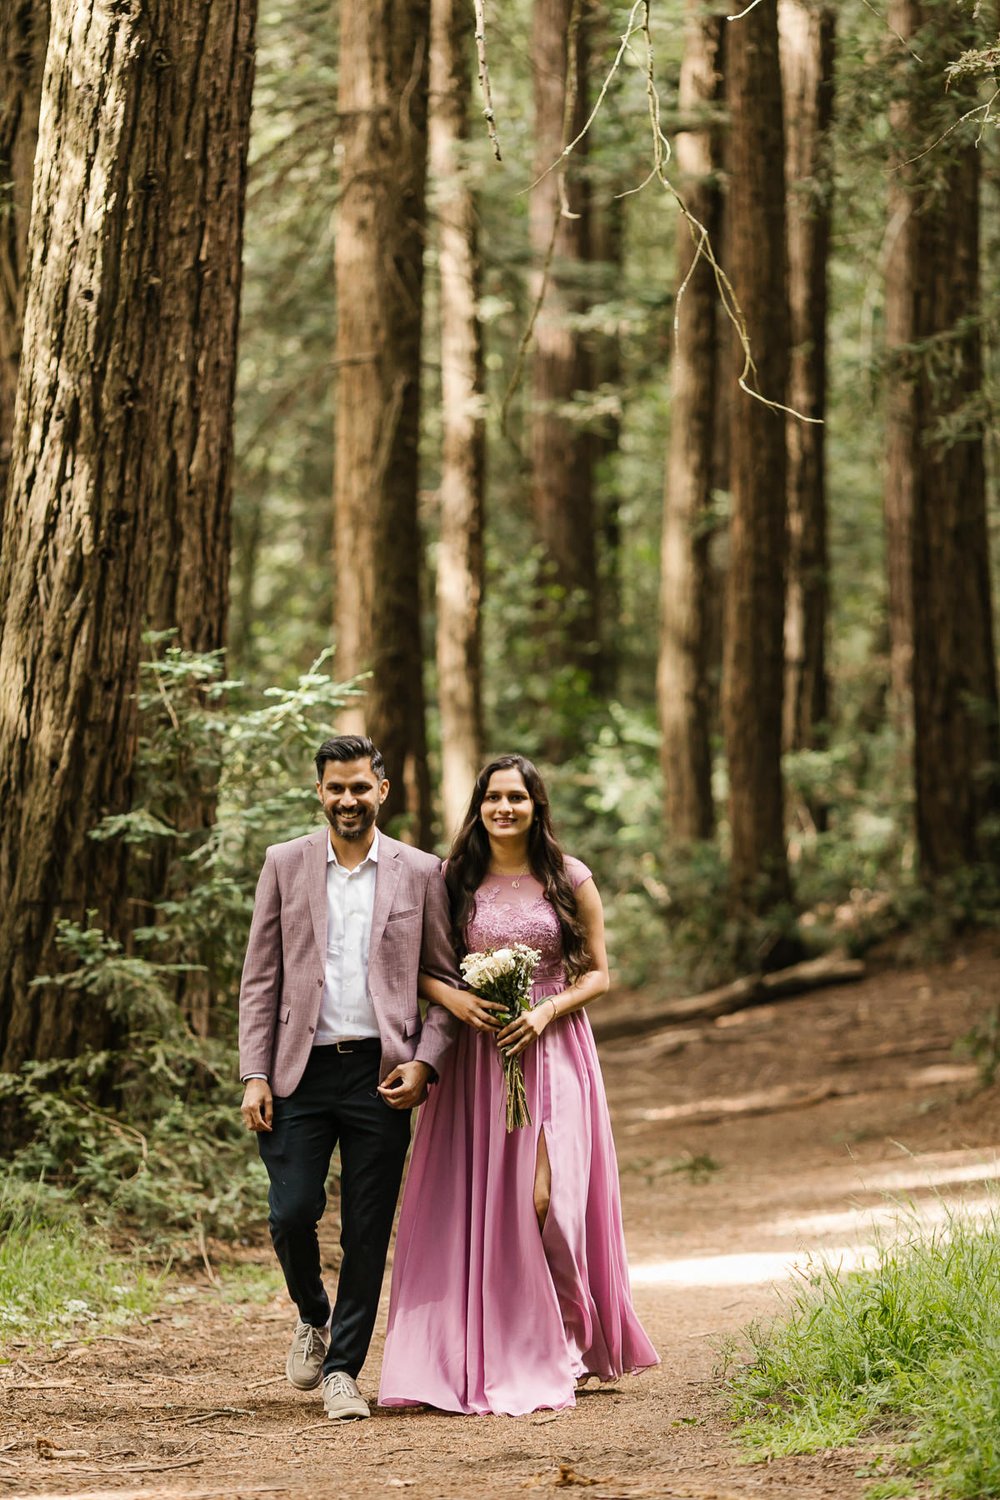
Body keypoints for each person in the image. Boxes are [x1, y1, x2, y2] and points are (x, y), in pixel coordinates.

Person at [379, 753, 658, 1416]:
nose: (505, 808)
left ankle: (568, 1332)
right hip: (480, 1054)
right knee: (491, 1204)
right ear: (479, 807)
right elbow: (412, 964)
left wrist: (545, 1009)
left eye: (517, 798)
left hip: (554, 1045)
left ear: (536, 806)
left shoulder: (569, 876)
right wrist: (460, 998)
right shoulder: (453, 879)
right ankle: (508, 1340)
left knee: (546, 1197)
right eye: (494, 798)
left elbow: (599, 975)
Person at [239, 735, 458, 1421]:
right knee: (292, 1211)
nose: (347, 800)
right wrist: (254, 1074)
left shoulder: (422, 872)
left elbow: (447, 984)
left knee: (366, 1229)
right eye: (335, 788)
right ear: (319, 792)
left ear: (381, 790)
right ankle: (312, 1312)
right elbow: (260, 979)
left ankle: (343, 1370)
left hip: (380, 1075)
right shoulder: (284, 863)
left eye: (359, 787)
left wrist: (425, 1063)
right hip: (296, 1074)